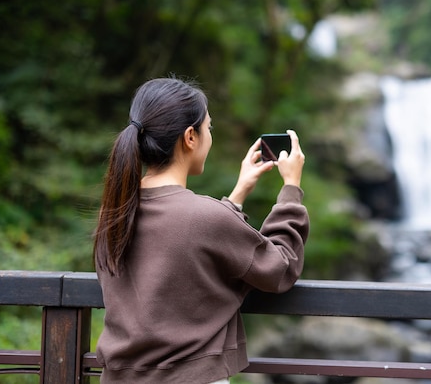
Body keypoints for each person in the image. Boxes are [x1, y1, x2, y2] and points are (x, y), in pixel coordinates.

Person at [93, 77, 309, 384]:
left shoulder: (112, 214)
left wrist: (237, 194)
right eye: (209, 128)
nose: (210, 136)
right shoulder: (204, 217)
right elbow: (280, 267)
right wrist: (291, 188)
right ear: (190, 137)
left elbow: (185, 239)